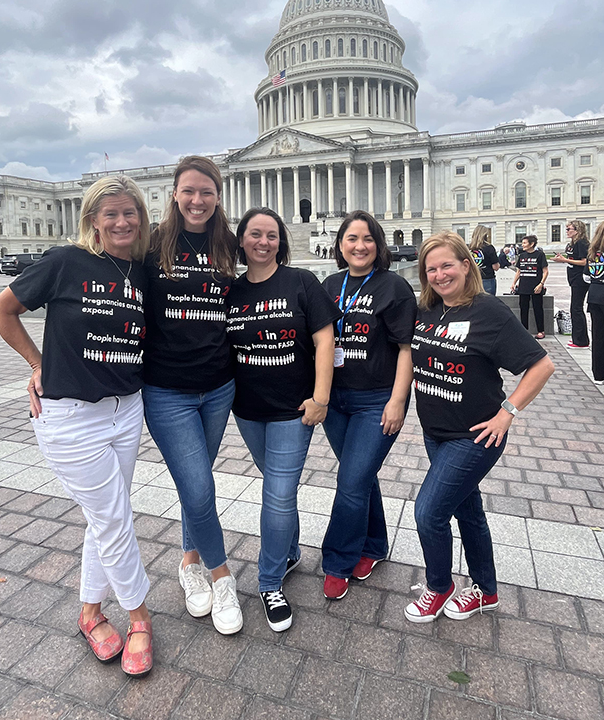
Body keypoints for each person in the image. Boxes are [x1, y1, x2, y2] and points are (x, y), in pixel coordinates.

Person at [0, 176, 154, 677]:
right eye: (111, 215)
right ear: (92, 221)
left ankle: (89, 612)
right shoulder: (65, 262)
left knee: (106, 518)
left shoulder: (141, 272)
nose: (122, 222)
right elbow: (2, 310)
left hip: (126, 410)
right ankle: (140, 619)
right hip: (71, 417)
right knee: (114, 520)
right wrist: (38, 365)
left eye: (130, 214)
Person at [405, 231, 554, 623]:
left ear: (466, 265)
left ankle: (439, 586)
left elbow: (542, 366)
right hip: (435, 432)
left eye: (447, 265)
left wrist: (508, 411)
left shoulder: (489, 312)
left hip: (475, 436)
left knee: (428, 513)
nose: (439, 274)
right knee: (467, 511)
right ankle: (486, 590)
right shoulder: (426, 309)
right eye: (431, 268)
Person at [226, 207, 340, 631]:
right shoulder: (231, 292)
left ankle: (269, 580)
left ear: (281, 241)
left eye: (271, 235)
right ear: (241, 240)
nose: (263, 242)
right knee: (279, 490)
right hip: (249, 410)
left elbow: (325, 340)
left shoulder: (301, 282)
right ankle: (289, 551)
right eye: (255, 234)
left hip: (295, 410)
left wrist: (321, 398)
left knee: (276, 493)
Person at [142, 155, 242, 635]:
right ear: (174, 193)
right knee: (200, 487)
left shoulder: (229, 243)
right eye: (189, 191)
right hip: (167, 390)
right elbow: (105, 306)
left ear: (218, 196)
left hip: (219, 385)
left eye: (207, 192)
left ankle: (188, 562)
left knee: (193, 482)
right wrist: (43, 366)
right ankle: (221, 576)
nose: (198, 200)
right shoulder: (152, 244)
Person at [320, 212, 417, 600]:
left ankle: (337, 561)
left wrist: (397, 401)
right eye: (351, 239)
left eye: (367, 239)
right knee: (359, 476)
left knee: (351, 480)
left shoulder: (394, 287)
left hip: (376, 399)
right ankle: (374, 544)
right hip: (336, 400)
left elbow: (406, 349)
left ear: (379, 245)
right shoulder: (329, 286)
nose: (359, 246)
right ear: (340, 245)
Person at [552, 220, 590, 348]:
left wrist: (565, 260)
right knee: (575, 308)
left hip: (580, 278)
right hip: (573, 277)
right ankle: (578, 339)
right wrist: (563, 259)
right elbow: (573, 259)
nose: (567, 231)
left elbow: (585, 262)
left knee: (576, 308)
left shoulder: (581, 243)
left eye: (569, 229)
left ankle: (581, 341)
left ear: (577, 230)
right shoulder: (572, 243)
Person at [511, 235, 548, 340]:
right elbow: (519, 271)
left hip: (536, 286)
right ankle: (524, 330)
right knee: (523, 308)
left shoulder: (540, 255)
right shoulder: (522, 256)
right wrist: (514, 283)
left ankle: (541, 330)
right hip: (523, 286)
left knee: (538, 308)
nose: (522, 245)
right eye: (522, 243)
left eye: (524, 243)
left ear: (532, 244)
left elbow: (545, 271)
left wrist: (541, 284)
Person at [586, 222, 604, 384]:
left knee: (598, 336)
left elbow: (586, 277)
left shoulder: (592, 253)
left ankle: (598, 374)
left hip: (595, 294)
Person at [469, 225, 499, 295]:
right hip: (487, 279)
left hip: (473, 279)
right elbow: (496, 267)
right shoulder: (489, 247)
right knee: (488, 303)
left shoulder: (469, 248)